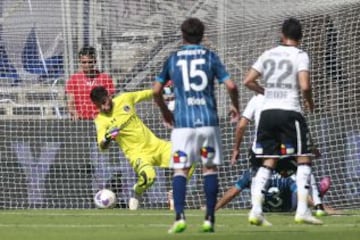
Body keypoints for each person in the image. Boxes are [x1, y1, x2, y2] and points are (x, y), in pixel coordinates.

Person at [153, 17, 240, 233]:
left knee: (180, 170)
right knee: (209, 168)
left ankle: (179, 217)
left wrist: (165, 111)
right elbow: (231, 85)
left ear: (182, 35)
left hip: (182, 123)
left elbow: (156, 90)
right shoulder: (210, 57)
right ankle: (209, 218)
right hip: (208, 121)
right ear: (202, 35)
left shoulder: (173, 58)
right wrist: (235, 106)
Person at [243, 17, 322, 225]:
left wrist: (264, 92)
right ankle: (303, 210)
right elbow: (305, 86)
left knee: (268, 160)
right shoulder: (300, 55)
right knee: (304, 157)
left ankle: (256, 210)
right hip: (289, 111)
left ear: (282, 34)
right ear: (301, 36)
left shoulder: (268, 53)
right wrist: (310, 103)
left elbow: (248, 80)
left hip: (267, 113)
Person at [223, 94, 331, 216]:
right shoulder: (288, 97)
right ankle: (317, 203)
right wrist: (310, 146)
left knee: (259, 177)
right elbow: (300, 127)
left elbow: (241, 125)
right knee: (303, 167)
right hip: (284, 148)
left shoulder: (257, 99)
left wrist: (236, 149)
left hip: (260, 149)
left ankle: (256, 210)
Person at [90, 85, 174, 210]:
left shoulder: (125, 99)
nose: (103, 107)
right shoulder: (101, 120)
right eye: (99, 106)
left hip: (157, 146)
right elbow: (102, 146)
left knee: (188, 156)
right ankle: (137, 191)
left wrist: (168, 90)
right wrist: (107, 138)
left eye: (104, 102)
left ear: (109, 96)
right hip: (138, 154)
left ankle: (175, 192)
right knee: (149, 177)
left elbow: (149, 93)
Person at [65, 46, 115, 120]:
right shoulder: (74, 79)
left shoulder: (105, 78)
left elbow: (110, 99)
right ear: (80, 62)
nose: (87, 65)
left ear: (95, 61)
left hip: (101, 118)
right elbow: (70, 102)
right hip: (81, 120)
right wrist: (74, 112)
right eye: (84, 62)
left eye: (90, 62)